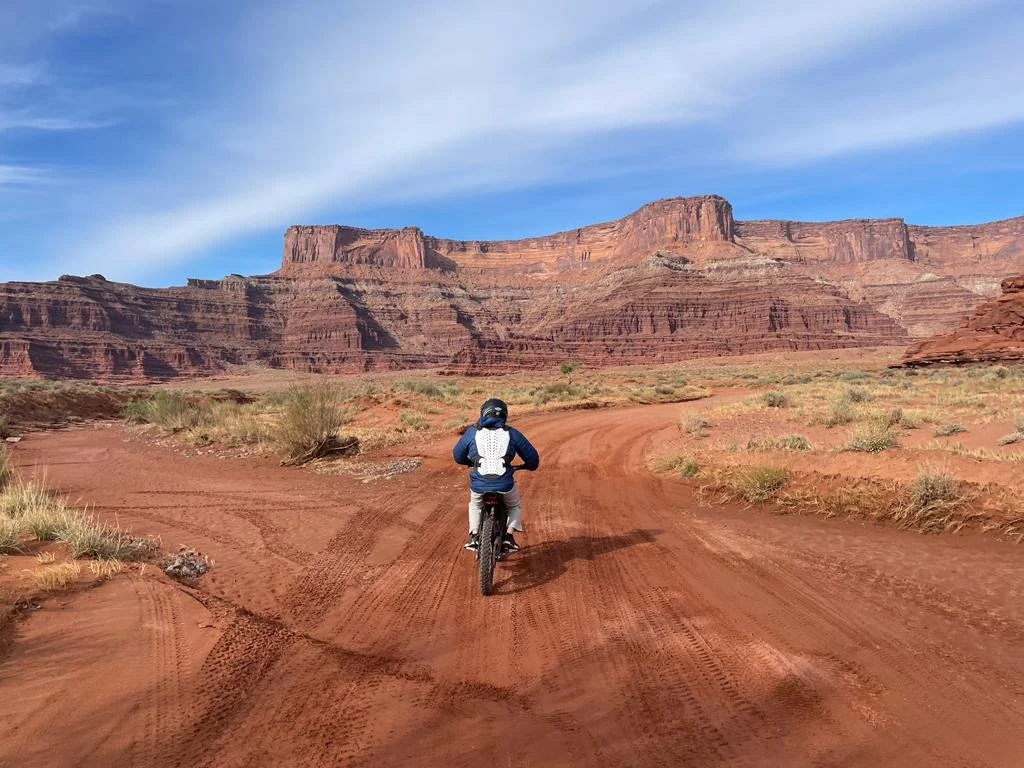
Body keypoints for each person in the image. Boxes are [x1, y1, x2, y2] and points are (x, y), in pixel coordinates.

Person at [453, 397, 539, 552]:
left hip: (479, 484)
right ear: (504, 415)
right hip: (504, 483)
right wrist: (529, 466)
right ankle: (508, 536)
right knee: (514, 506)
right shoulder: (512, 433)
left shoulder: (473, 432)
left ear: (483, 413)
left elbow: (458, 456)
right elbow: (532, 458)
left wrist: (471, 461)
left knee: (475, 505)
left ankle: (474, 537)